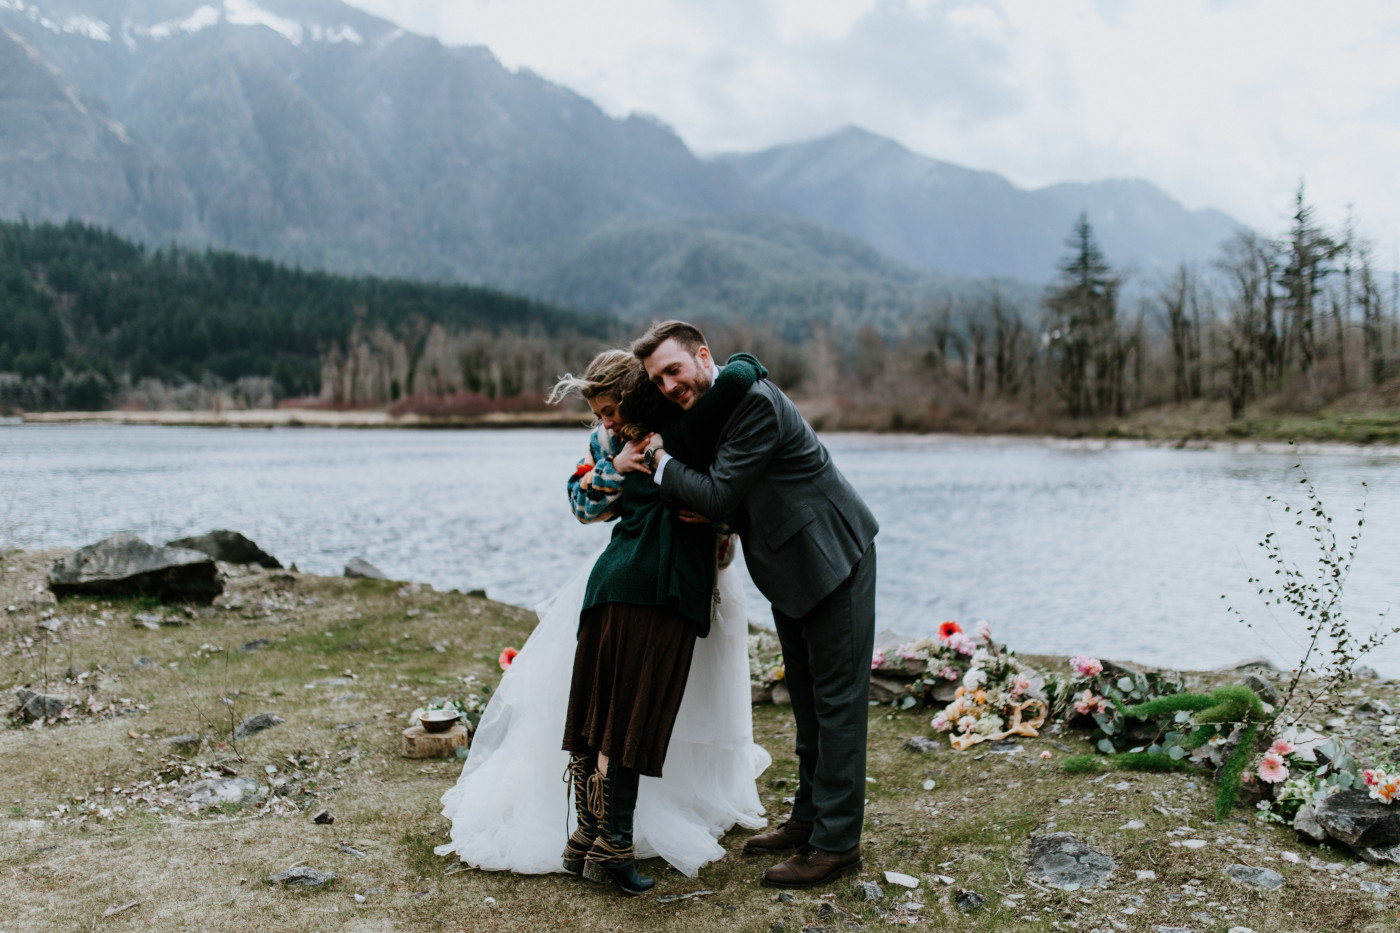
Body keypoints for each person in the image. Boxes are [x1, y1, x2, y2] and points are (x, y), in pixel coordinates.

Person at [435, 349, 769, 893]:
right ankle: (611, 844)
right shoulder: (673, 434)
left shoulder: (667, 430)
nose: (605, 422)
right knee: (633, 718)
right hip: (658, 582)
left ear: (631, 395)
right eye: (598, 414)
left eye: (610, 410)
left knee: (600, 713)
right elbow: (723, 458)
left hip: (615, 580)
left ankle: (586, 839)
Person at [633, 321, 879, 890]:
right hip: (791, 567)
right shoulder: (711, 411)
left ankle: (837, 845)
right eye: (658, 379)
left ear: (703, 355)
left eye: (675, 370)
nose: (669, 385)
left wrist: (664, 465)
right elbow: (726, 493)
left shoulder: (753, 404)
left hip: (832, 558)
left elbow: (718, 490)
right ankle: (810, 819)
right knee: (809, 702)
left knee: (837, 703)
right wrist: (711, 498)